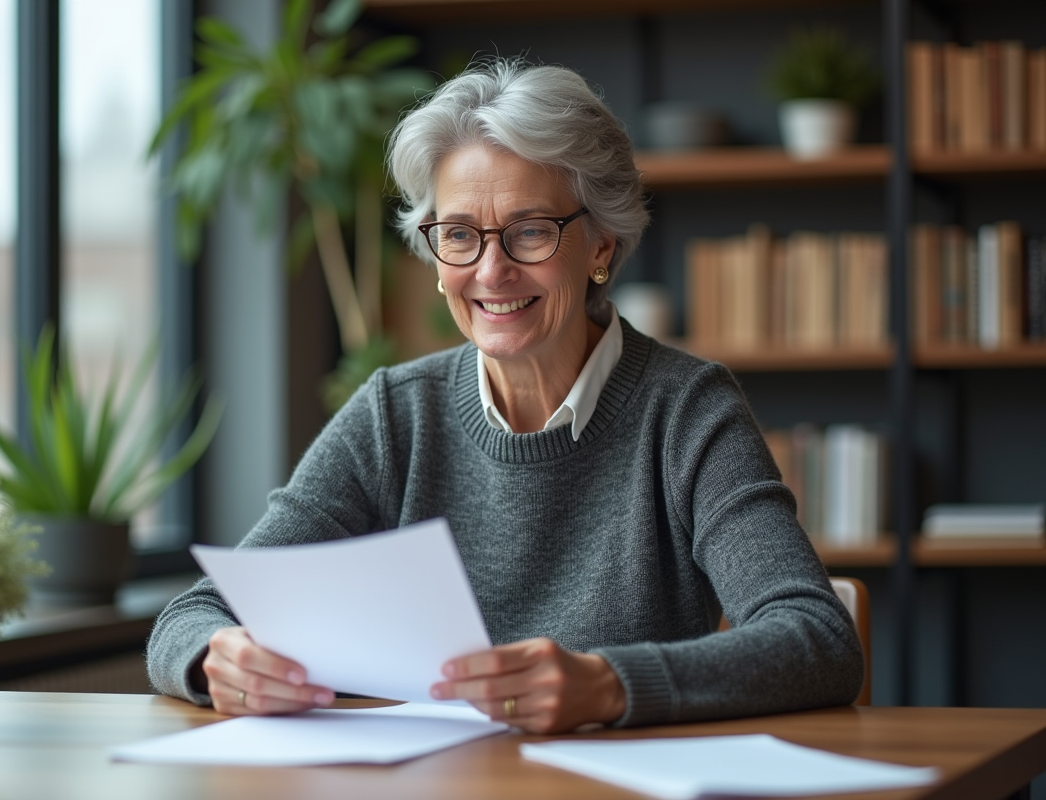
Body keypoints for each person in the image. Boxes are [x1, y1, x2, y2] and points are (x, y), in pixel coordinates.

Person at [147, 57, 864, 734]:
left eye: (529, 232)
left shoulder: (687, 410)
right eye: (458, 234)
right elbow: (196, 612)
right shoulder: (396, 414)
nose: (491, 272)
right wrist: (217, 658)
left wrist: (608, 684)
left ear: (602, 247)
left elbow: (817, 636)